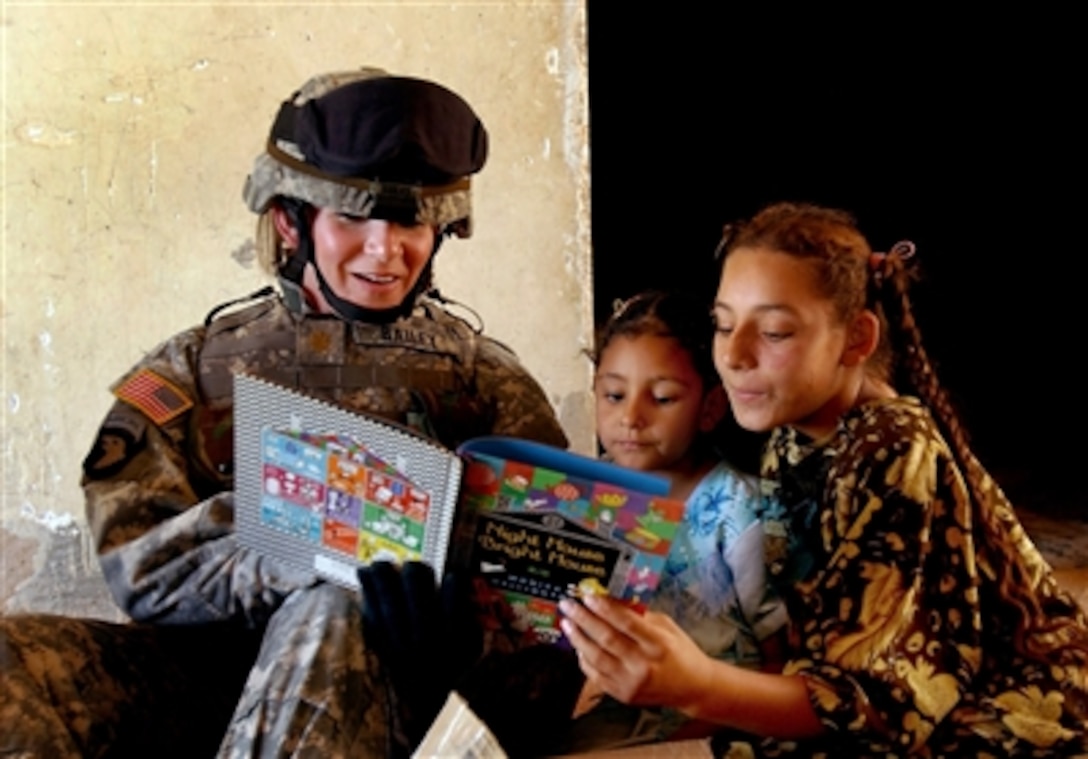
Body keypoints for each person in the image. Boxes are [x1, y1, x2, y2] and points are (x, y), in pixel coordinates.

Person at [0, 67, 567, 759]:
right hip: (208, 680)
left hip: (392, 691)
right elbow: (141, 564)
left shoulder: (486, 382)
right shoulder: (195, 371)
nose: (386, 249)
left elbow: (559, 582)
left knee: (332, 610)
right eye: (355, 216)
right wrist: (299, 553)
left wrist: (463, 636)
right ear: (289, 220)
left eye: (412, 218)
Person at [558, 202, 1088, 757]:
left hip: (1003, 705)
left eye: (775, 331)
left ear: (856, 340)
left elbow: (885, 706)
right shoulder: (791, 439)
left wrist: (697, 685)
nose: (733, 356)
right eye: (723, 324)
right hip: (855, 686)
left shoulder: (893, 447)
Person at [561, 289, 787, 753]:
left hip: (709, 736)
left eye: (662, 398)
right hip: (601, 731)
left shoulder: (742, 511)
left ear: (709, 408)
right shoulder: (578, 494)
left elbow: (782, 659)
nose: (631, 417)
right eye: (614, 394)